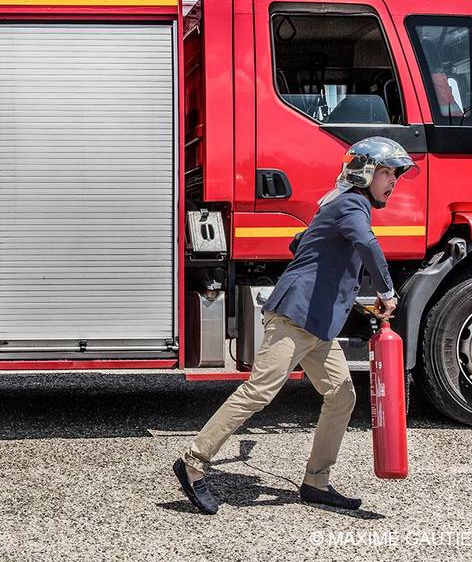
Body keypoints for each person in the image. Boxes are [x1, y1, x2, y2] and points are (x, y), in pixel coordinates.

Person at [174, 137, 416, 514]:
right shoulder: (353, 203)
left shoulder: (337, 204)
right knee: (260, 391)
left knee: (342, 394)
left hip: (317, 323)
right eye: (387, 173)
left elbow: (300, 241)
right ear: (364, 172)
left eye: (395, 176)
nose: (392, 182)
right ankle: (192, 462)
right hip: (295, 317)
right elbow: (367, 244)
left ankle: (316, 481)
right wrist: (387, 289)